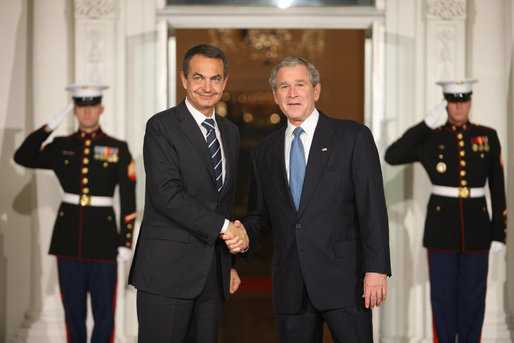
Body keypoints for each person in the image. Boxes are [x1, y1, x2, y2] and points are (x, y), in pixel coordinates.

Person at [227, 57, 391, 342]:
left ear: (315, 91)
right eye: (284, 87)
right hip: (291, 284)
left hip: (346, 281)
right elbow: (261, 215)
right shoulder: (264, 152)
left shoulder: (353, 137)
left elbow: (372, 209)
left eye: (300, 85)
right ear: (275, 96)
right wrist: (241, 235)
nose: (292, 94)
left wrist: (376, 269)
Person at [128, 44, 247, 343]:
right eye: (198, 78)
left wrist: (228, 265)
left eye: (215, 78)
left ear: (224, 82)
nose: (207, 87)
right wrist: (225, 228)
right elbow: (167, 195)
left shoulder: (230, 132)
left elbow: (224, 202)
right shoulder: (162, 126)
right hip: (167, 272)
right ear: (183, 79)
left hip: (212, 276)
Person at [384, 79, 507, 342]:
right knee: (442, 298)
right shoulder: (432, 137)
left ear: (470, 101)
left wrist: (499, 232)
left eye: (463, 100)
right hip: (441, 230)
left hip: (478, 229)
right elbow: (392, 155)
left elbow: (498, 187)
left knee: (474, 299)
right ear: (445, 103)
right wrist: (425, 125)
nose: (459, 106)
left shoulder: (487, 136)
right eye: (453, 101)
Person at [13, 83, 137, 343]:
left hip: (105, 242)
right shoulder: (61, 146)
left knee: (104, 313)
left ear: (101, 109)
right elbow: (22, 156)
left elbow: (128, 198)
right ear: (75, 111)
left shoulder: (117, 148)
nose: (87, 112)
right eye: (81, 106)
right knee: (73, 312)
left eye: (92, 106)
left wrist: (125, 241)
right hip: (68, 240)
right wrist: (49, 127)